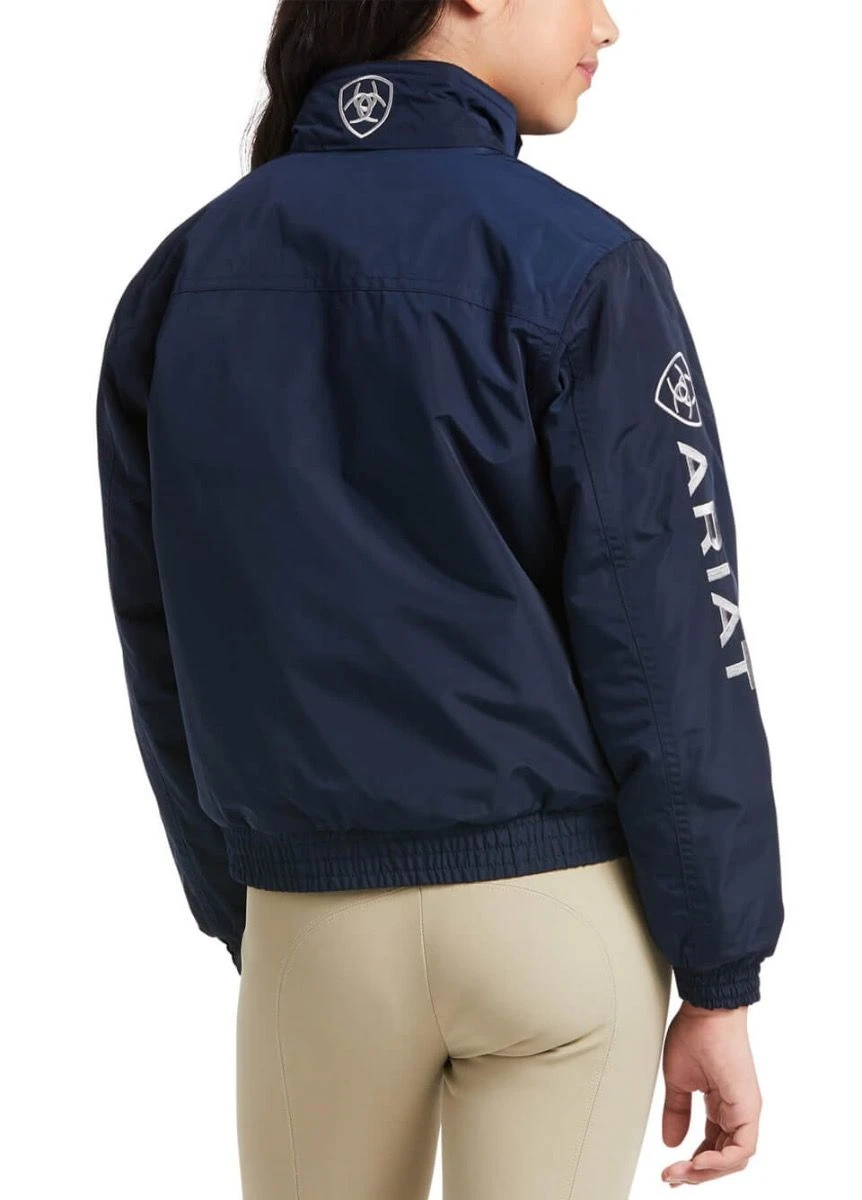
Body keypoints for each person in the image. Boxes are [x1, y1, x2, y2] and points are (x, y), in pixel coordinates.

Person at [94, 1, 785, 1196]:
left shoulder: (182, 279)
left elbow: (160, 636)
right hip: (553, 927)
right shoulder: (583, 266)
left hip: (310, 925)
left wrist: (250, 905)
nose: (608, 24)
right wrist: (720, 974)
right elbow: (675, 647)